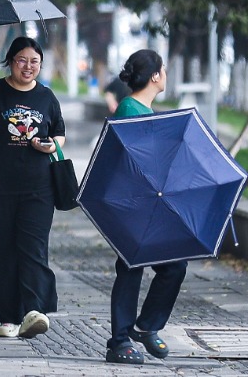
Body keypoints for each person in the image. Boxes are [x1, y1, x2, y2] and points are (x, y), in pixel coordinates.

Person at [0, 36, 65, 340]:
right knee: (1, 251)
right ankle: (8, 317)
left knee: (33, 248)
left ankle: (33, 311)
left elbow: (59, 135)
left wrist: (49, 146)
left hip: (39, 187)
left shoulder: (47, 97)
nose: (28, 66)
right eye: (22, 60)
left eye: (34, 61)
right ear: (10, 60)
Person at [105, 49, 187, 365]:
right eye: (163, 69)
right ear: (155, 75)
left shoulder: (146, 110)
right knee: (130, 268)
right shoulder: (129, 109)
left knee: (174, 266)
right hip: (131, 205)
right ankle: (119, 341)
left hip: (150, 207)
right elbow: (130, 160)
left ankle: (144, 326)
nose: (165, 74)